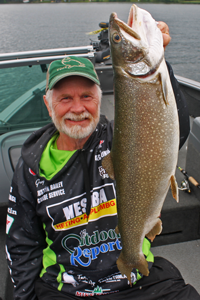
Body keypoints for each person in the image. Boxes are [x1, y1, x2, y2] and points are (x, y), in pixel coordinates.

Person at [5, 23, 199, 300]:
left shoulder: (123, 138)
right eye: (65, 99)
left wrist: (160, 64)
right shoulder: (32, 167)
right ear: (48, 105)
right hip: (66, 288)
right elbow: (22, 245)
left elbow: (171, 131)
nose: (77, 108)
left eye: (86, 96)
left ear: (99, 99)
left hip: (136, 280)